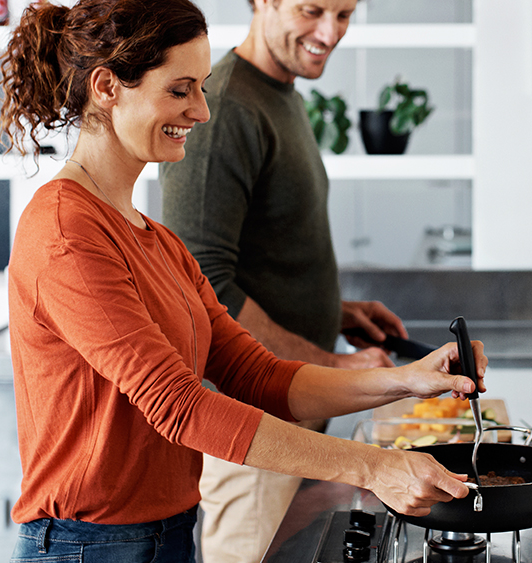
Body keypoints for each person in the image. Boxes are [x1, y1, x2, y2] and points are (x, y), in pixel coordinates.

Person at [0, 1, 487, 561]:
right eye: (181, 90)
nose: (202, 111)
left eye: (202, 87)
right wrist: (373, 466)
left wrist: (409, 380)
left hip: (167, 534)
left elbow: (258, 375)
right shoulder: (65, 230)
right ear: (108, 87)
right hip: (86, 545)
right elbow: (178, 405)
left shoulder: (156, 239)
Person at [158, 1, 410, 561]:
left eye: (343, 13)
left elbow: (259, 254)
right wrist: (337, 365)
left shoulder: (276, 94)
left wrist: (334, 310)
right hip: (249, 427)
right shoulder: (222, 108)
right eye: (312, 9)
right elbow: (201, 282)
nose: (330, 32)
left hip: (288, 420)